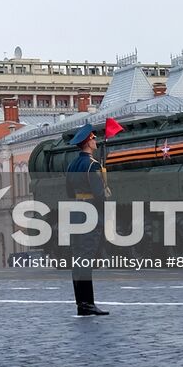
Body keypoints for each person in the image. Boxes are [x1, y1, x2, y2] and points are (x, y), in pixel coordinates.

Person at [66, 123, 109, 317]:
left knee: (79, 259)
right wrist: (106, 191)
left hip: (75, 213)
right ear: (87, 142)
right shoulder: (92, 165)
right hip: (90, 214)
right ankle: (87, 304)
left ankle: (81, 303)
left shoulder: (72, 165)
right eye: (93, 138)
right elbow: (99, 195)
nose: (96, 141)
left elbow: (68, 192)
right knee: (86, 259)